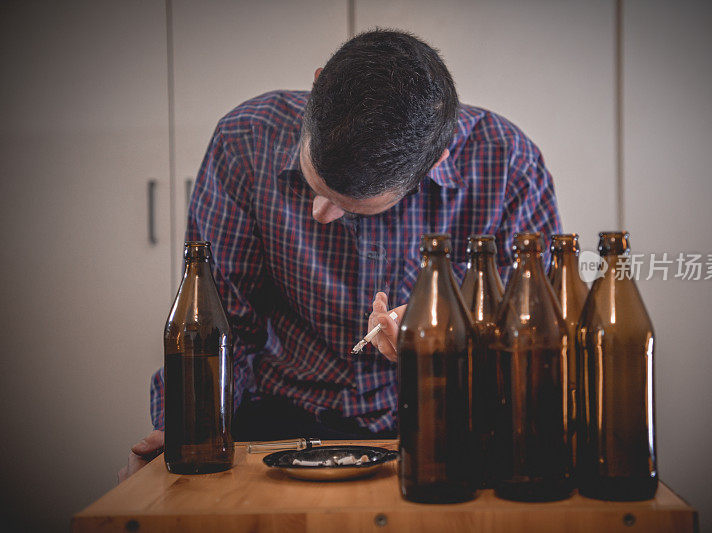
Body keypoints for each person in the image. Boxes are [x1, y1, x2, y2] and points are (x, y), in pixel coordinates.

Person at [118, 29, 561, 483]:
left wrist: (442, 336)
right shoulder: (244, 141)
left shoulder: (509, 165)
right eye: (313, 185)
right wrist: (186, 432)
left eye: (350, 205)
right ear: (317, 85)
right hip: (283, 416)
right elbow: (223, 327)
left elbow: (529, 346)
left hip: (442, 415)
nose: (320, 213)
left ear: (434, 162)